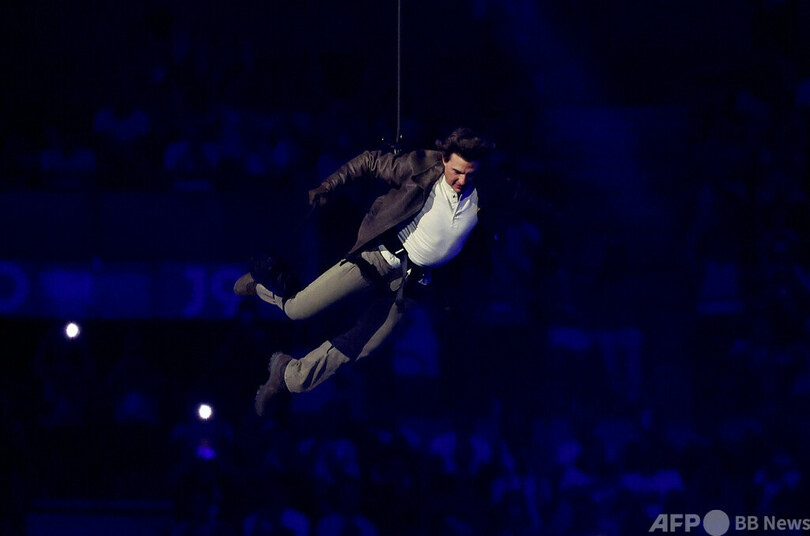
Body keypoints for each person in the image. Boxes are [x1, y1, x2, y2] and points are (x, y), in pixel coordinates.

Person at [234, 127, 495, 416]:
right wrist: (329, 186)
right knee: (297, 309)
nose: (462, 180)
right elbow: (370, 161)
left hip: (410, 283)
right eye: (457, 171)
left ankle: (289, 375)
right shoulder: (421, 167)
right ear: (444, 159)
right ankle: (260, 286)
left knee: (364, 346)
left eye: (470, 174)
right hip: (377, 259)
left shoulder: (485, 191)